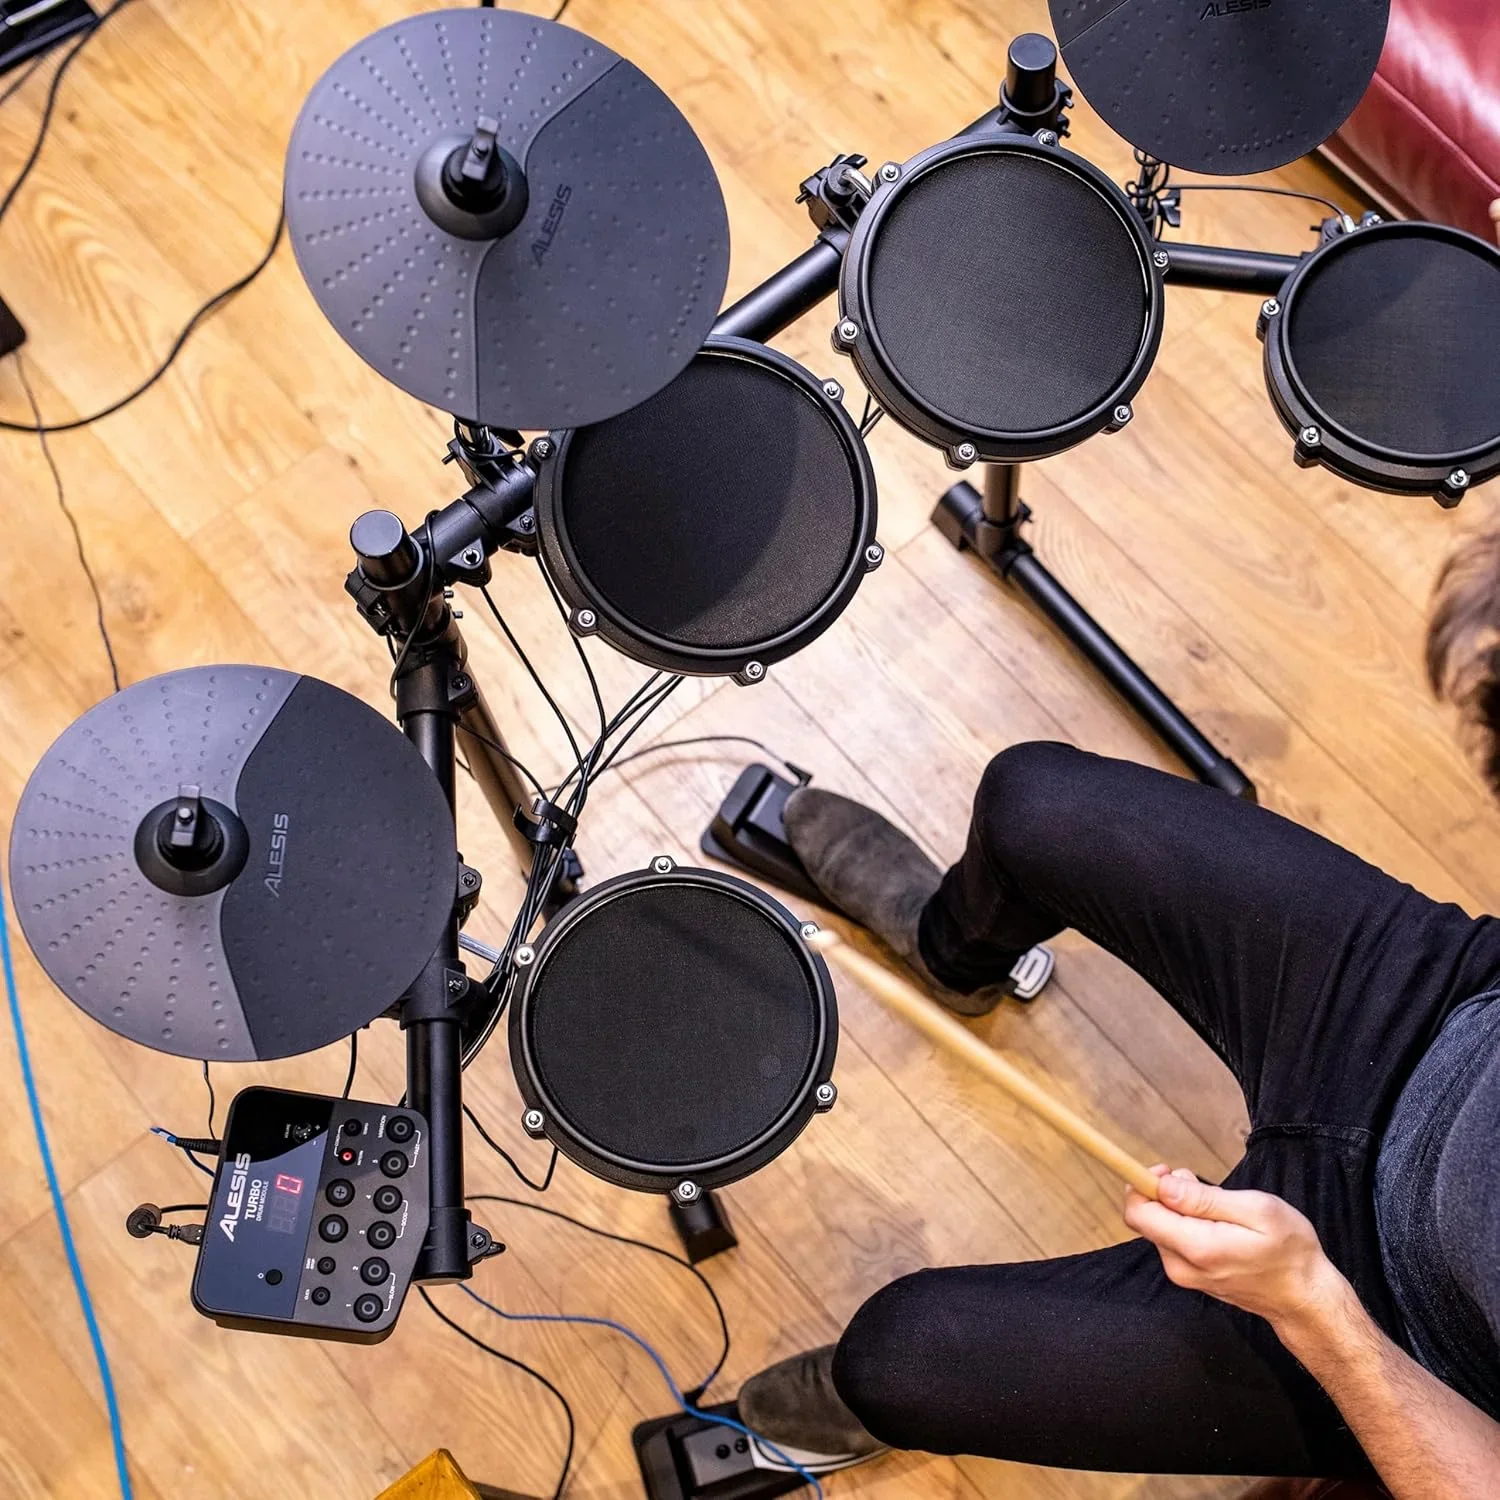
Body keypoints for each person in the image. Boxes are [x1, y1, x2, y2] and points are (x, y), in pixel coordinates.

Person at [732, 542, 1500, 1497]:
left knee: (896, 1358)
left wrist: (1316, 1310)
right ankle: (954, 958)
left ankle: (880, 1401)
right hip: (1448, 1007)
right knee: (1032, 806)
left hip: (1398, 1330)